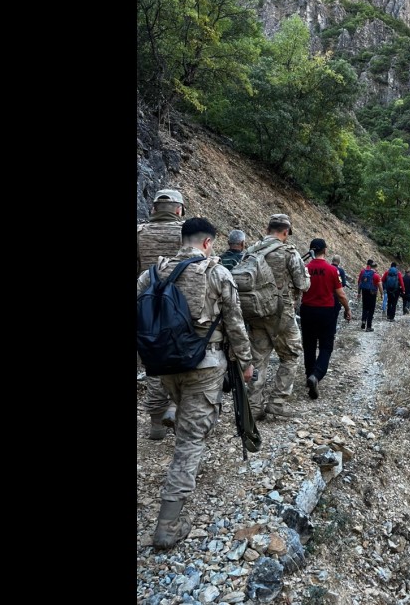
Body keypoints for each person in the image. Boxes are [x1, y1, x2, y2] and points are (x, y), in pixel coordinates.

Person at [136, 217, 255, 549]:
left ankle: (181, 448)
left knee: (188, 425)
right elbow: (235, 323)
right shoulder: (216, 273)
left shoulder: (152, 273)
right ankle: (167, 525)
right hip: (205, 365)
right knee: (191, 439)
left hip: (164, 365)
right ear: (207, 242)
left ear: (182, 239)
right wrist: (246, 364)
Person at [247, 213, 309, 419]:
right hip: (281, 314)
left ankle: (254, 407)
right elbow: (303, 285)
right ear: (285, 232)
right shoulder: (289, 252)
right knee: (291, 355)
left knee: (258, 359)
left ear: (267, 229)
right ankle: (277, 402)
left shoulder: (251, 250)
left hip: (255, 312)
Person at [136, 188, 186, 440]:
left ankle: (156, 423)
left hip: (147, 305)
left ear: (154, 209)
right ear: (179, 210)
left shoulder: (140, 233)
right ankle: (176, 408)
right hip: (180, 305)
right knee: (181, 357)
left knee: (153, 363)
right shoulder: (186, 233)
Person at [301, 238, 351, 400]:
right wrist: (347, 309)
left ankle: (309, 374)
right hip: (326, 312)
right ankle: (316, 376)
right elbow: (340, 293)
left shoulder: (305, 268)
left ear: (311, 251)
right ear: (325, 250)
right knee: (325, 346)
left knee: (308, 345)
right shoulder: (331, 270)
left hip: (307, 310)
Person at [356, 259, 382, 331]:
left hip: (364, 291)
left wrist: (359, 293)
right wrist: (382, 294)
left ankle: (363, 321)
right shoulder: (375, 275)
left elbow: (359, 283)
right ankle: (369, 326)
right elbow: (379, 285)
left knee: (364, 307)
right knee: (371, 309)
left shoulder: (363, 272)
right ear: (373, 267)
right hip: (372, 293)